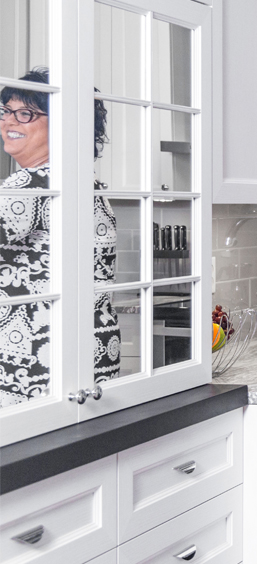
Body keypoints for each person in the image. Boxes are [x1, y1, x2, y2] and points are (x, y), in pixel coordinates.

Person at [0, 67, 120, 407]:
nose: (9, 122)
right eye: (6, 111)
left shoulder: (31, 184)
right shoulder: (87, 182)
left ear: (65, 124)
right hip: (91, 356)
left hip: (33, 362)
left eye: (25, 114)